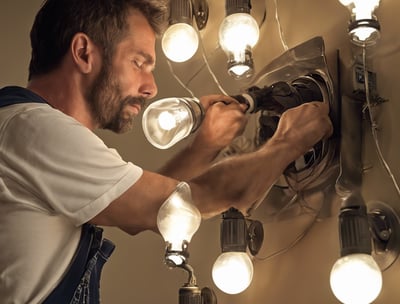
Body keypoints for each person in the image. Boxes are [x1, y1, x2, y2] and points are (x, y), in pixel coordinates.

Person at [0, 0, 333, 303]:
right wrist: (289, 142)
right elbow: (188, 202)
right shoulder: (36, 131)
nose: (151, 87)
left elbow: (156, 209)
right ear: (85, 52)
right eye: (139, 63)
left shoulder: (22, 129)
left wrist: (205, 147)